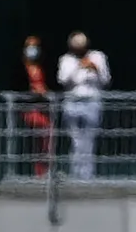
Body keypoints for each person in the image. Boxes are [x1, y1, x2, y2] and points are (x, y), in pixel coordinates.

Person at [57, 31, 111, 180]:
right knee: (76, 139)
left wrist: (95, 68)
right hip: (73, 101)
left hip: (92, 100)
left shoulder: (98, 56)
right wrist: (79, 66)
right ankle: (76, 174)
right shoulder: (66, 59)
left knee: (89, 139)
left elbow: (106, 80)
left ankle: (87, 175)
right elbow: (63, 80)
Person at [17, 35, 55, 177]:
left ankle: (43, 172)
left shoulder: (43, 68)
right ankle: (29, 172)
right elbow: (17, 87)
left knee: (46, 139)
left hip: (43, 109)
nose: (33, 49)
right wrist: (32, 92)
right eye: (30, 46)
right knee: (31, 140)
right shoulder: (20, 69)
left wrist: (45, 92)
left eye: (36, 46)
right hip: (28, 110)